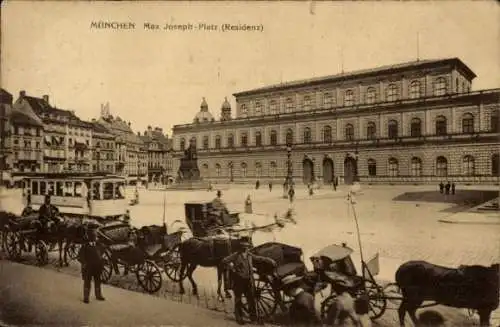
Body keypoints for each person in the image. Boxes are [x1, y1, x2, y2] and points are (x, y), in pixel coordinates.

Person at [222, 239, 277, 325]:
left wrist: (269, 260)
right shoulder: (236, 255)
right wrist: (232, 268)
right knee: (238, 299)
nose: (246, 248)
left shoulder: (249, 255)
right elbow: (224, 261)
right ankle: (238, 317)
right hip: (239, 280)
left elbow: (258, 258)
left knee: (251, 299)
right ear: (241, 247)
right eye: (244, 246)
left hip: (248, 280)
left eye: (247, 246)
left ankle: (253, 318)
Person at [77, 223, 105, 303]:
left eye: (95, 235)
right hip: (88, 267)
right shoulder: (85, 246)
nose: (95, 237)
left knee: (98, 280)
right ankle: (86, 297)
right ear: (89, 236)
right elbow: (80, 257)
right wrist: (84, 263)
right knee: (87, 281)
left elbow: (103, 251)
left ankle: (98, 295)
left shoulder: (99, 245)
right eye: (93, 235)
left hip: (97, 266)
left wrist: (101, 260)